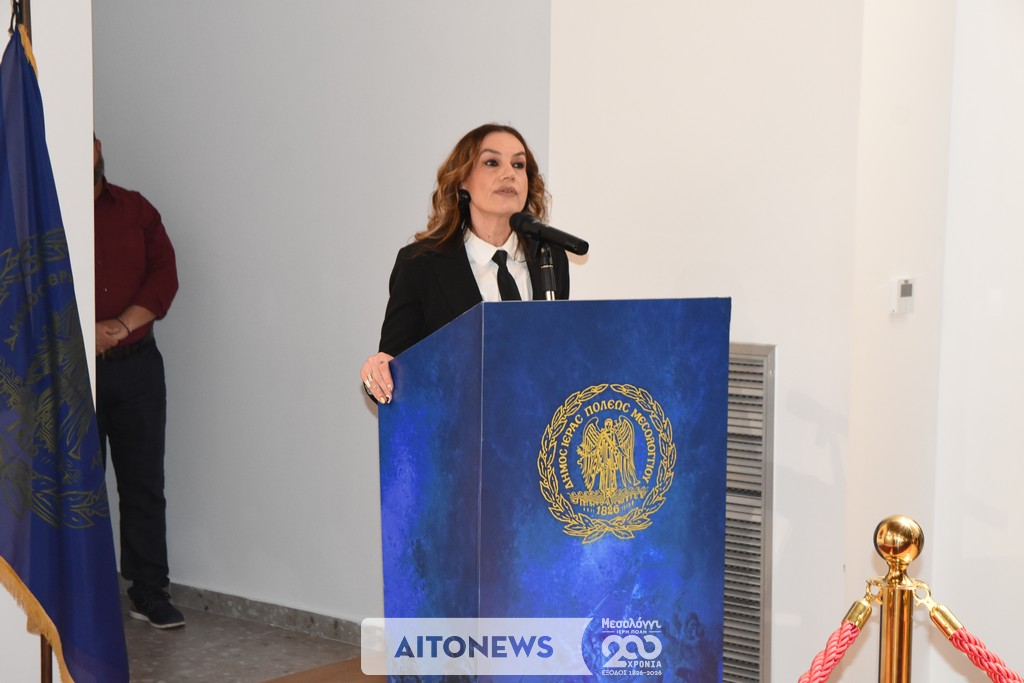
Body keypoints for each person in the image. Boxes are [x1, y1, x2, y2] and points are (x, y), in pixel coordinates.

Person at [360, 123, 569, 403]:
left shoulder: (550, 257)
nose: (509, 173)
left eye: (518, 165)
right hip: (458, 426)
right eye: (492, 162)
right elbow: (392, 372)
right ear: (462, 181)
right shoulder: (420, 265)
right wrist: (377, 374)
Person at [93, 136, 183, 629]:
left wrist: (120, 326)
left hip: (137, 366)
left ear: (99, 148)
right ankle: (84, 598)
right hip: (72, 369)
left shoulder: (136, 210)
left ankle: (149, 592)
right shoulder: (43, 214)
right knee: (78, 487)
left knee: (144, 484)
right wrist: (83, 333)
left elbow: (164, 276)